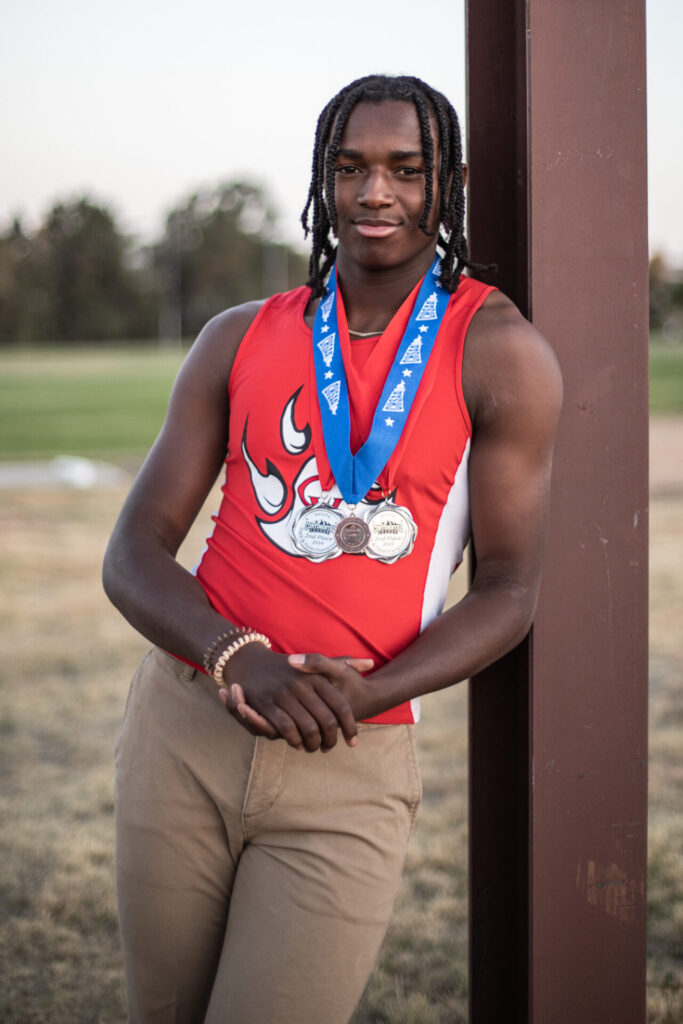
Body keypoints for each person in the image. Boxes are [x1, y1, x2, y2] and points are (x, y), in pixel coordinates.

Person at [103, 73, 562, 1024]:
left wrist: (366, 692)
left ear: (450, 182)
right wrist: (240, 657)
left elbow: (510, 589)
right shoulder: (238, 336)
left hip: (352, 753)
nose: (374, 193)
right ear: (321, 179)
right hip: (185, 727)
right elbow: (135, 550)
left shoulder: (499, 348)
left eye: (405, 168)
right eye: (348, 167)